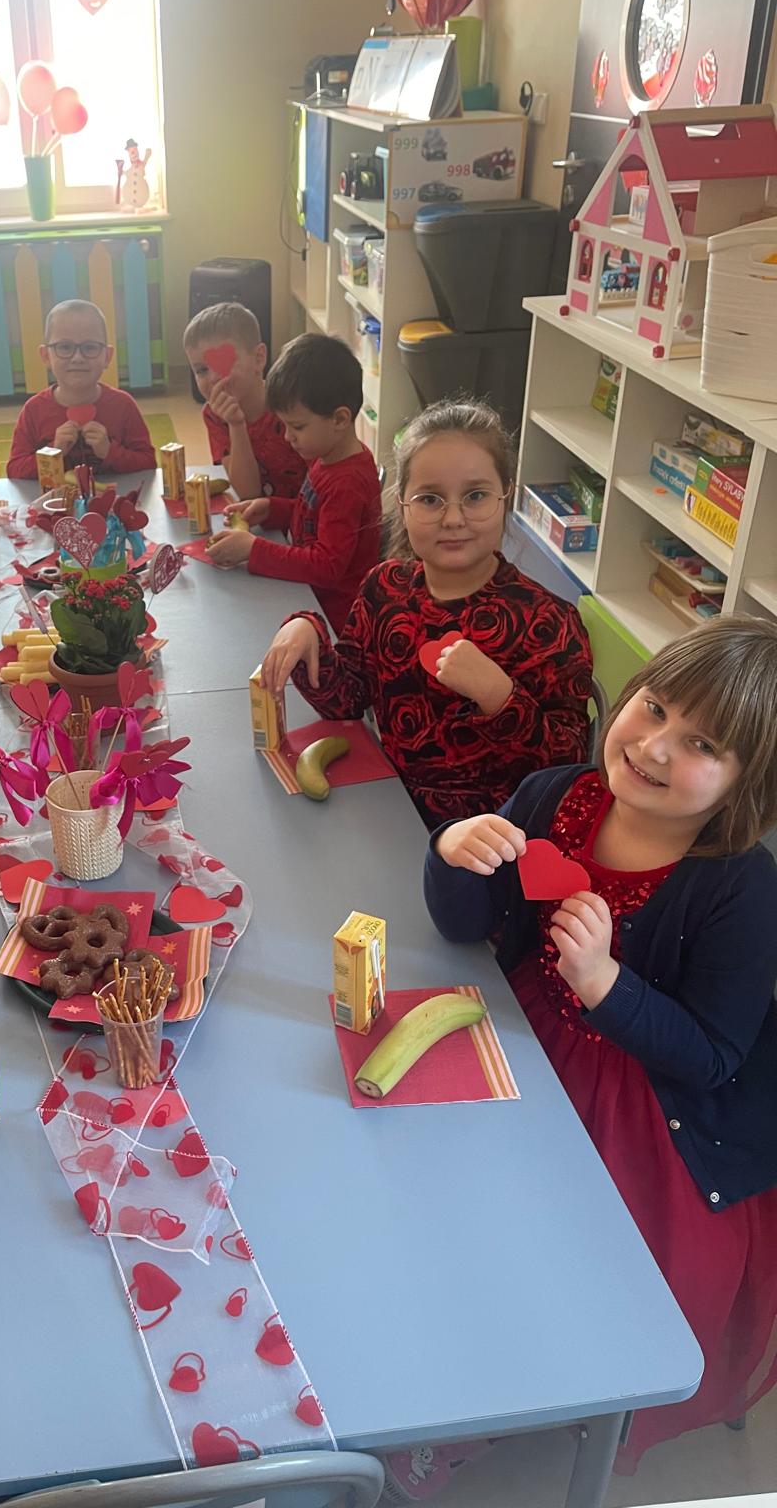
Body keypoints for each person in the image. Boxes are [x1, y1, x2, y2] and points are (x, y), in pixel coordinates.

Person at [423, 616, 777, 1467]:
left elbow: (713, 1055)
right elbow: (465, 925)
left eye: (700, 744)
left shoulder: (741, 888)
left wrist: (608, 986)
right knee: (441, 1203)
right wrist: (451, 850)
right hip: (524, 1031)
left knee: (557, 1259)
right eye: (653, 708)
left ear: (749, 783)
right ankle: (441, 1354)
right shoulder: (554, 796)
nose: (653, 747)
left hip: (646, 1105)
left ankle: (492, 1411)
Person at [259, 398, 592, 824]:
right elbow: (347, 701)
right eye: (430, 499)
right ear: (402, 504)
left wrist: (500, 697)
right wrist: (308, 634)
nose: (453, 518)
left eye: (475, 496)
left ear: (505, 496)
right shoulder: (385, 589)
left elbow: (565, 772)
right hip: (389, 812)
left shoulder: (550, 623)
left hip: (492, 840)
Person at [205, 333, 382, 633]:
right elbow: (315, 516)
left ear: (340, 419)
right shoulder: (326, 455)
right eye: (284, 425)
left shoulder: (347, 483)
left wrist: (254, 549)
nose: (288, 437)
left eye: (297, 426)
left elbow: (327, 566)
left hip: (333, 620)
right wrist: (272, 508)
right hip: (308, 596)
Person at [7, 299, 155, 478]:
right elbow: (15, 470)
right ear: (46, 356)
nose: (77, 357)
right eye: (65, 347)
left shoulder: (123, 405)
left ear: (107, 356)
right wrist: (54, 451)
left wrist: (109, 451)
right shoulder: (34, 410)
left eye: (90, 347)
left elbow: (148, 462)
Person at [183, 302, 306, 500]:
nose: (213, 378)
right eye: (201, 370)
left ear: (259, 358)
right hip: (258, 514)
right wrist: (236, 425)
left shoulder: (293, 405)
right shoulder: (215, 415)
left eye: (223, 363)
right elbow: (246, 493)